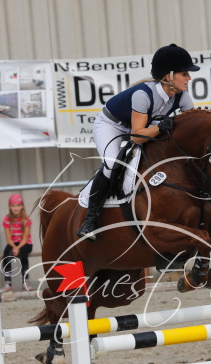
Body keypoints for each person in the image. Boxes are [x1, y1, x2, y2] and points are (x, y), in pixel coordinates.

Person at [77, 43, 200, 242]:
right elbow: (136, 136)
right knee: (112, 164)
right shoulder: (143, 95)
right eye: (184, 74)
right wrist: (161, 127)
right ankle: (90, 220)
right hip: (112, 125)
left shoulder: (182, 97)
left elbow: (190, 126)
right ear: (168, 76)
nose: (189, 78)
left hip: (143, 125)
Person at [0, 193, 33, 292]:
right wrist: (14, 247)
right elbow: (8, 238)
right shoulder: (7, 219)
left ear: (22, 206)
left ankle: (25, 282)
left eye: (18, 205)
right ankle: (8, 283)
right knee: (6, 255)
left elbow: (25, 237)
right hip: (13, 243)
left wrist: (18, 248)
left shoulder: (26, 219)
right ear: (9, 207)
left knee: (23, 255)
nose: (16, 208)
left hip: (25, 243)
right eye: (13, 206)